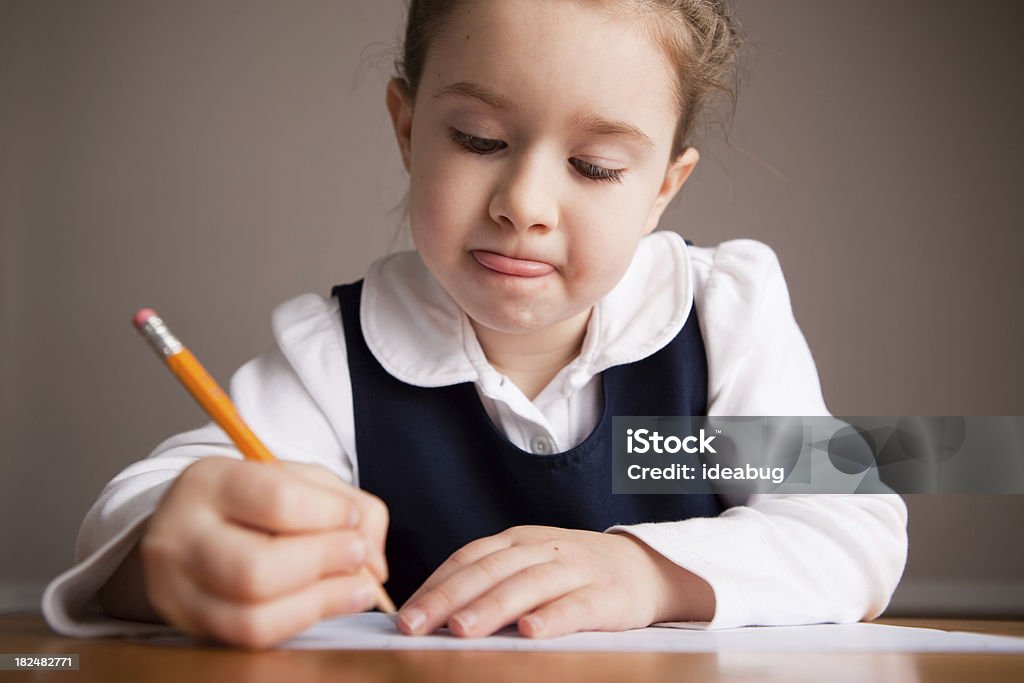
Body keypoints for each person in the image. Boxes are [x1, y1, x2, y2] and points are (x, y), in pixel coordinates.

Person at [43, 0, 907, 648]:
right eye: (479, 139)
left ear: (662, 191)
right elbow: (132, 515)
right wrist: (166, 549)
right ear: (409, 129)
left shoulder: (719, 316)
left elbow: (853, 529)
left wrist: (646, 572)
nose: (525, 204)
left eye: (594, 166)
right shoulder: (335, 355)